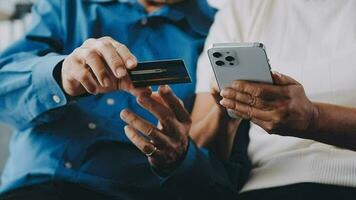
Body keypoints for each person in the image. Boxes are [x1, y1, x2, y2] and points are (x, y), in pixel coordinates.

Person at [0, 0, 242, 199]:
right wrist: (61, 75)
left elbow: (225, 176)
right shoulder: (67, 5)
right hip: (32, 187)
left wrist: (181, 157)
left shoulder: (222, 34)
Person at [124, 0, 356, 199]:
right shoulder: (242, 10)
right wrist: (226, 114)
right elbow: (203, 150)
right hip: (265, 185)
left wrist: (313, 119)